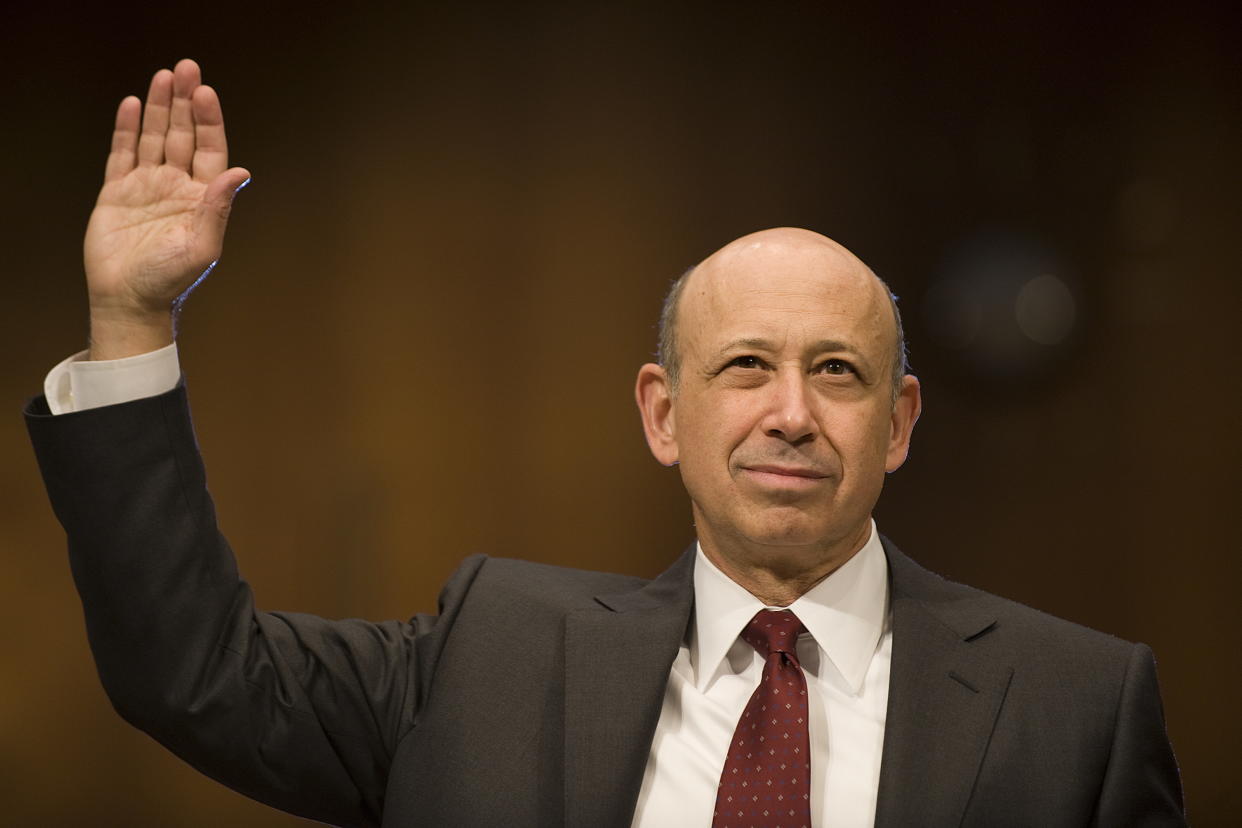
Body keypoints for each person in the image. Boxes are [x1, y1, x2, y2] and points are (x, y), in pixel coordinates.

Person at [26, 59, 1184, 827]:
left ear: (901, 423)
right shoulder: (493, 660)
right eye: (744, 367)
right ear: (661, 415)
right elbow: (191, 672)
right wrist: (132, 321)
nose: (792, 412)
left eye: (837, 371)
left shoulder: (1074, 702)